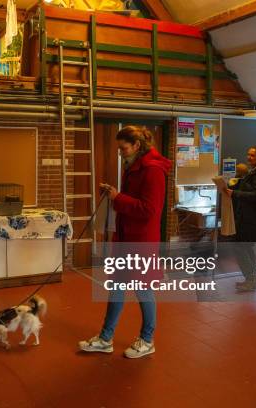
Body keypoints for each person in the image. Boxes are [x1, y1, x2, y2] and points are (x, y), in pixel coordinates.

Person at [79, 126, 171, 358]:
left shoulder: (153, 170)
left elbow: (150, 210)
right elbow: (134, 200)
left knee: (143, 290)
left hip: (141, 240)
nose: (120, 153)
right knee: (117, 287)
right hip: (125, 237)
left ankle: (147, 340)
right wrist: (115, 194)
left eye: (123, 148)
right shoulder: (133, 166)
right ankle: (105, 338)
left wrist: (117, 197)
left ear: (137, 146)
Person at [221, 146, 256, 291]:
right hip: (251, 217)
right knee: (245, 247)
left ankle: (251, 278)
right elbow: (252, 190)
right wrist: (238, 183)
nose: (248, 158)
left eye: (252, 155)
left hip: (252, 219)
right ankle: (253, 277)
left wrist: (234, 194)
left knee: (240, 246)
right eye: (248, 155)